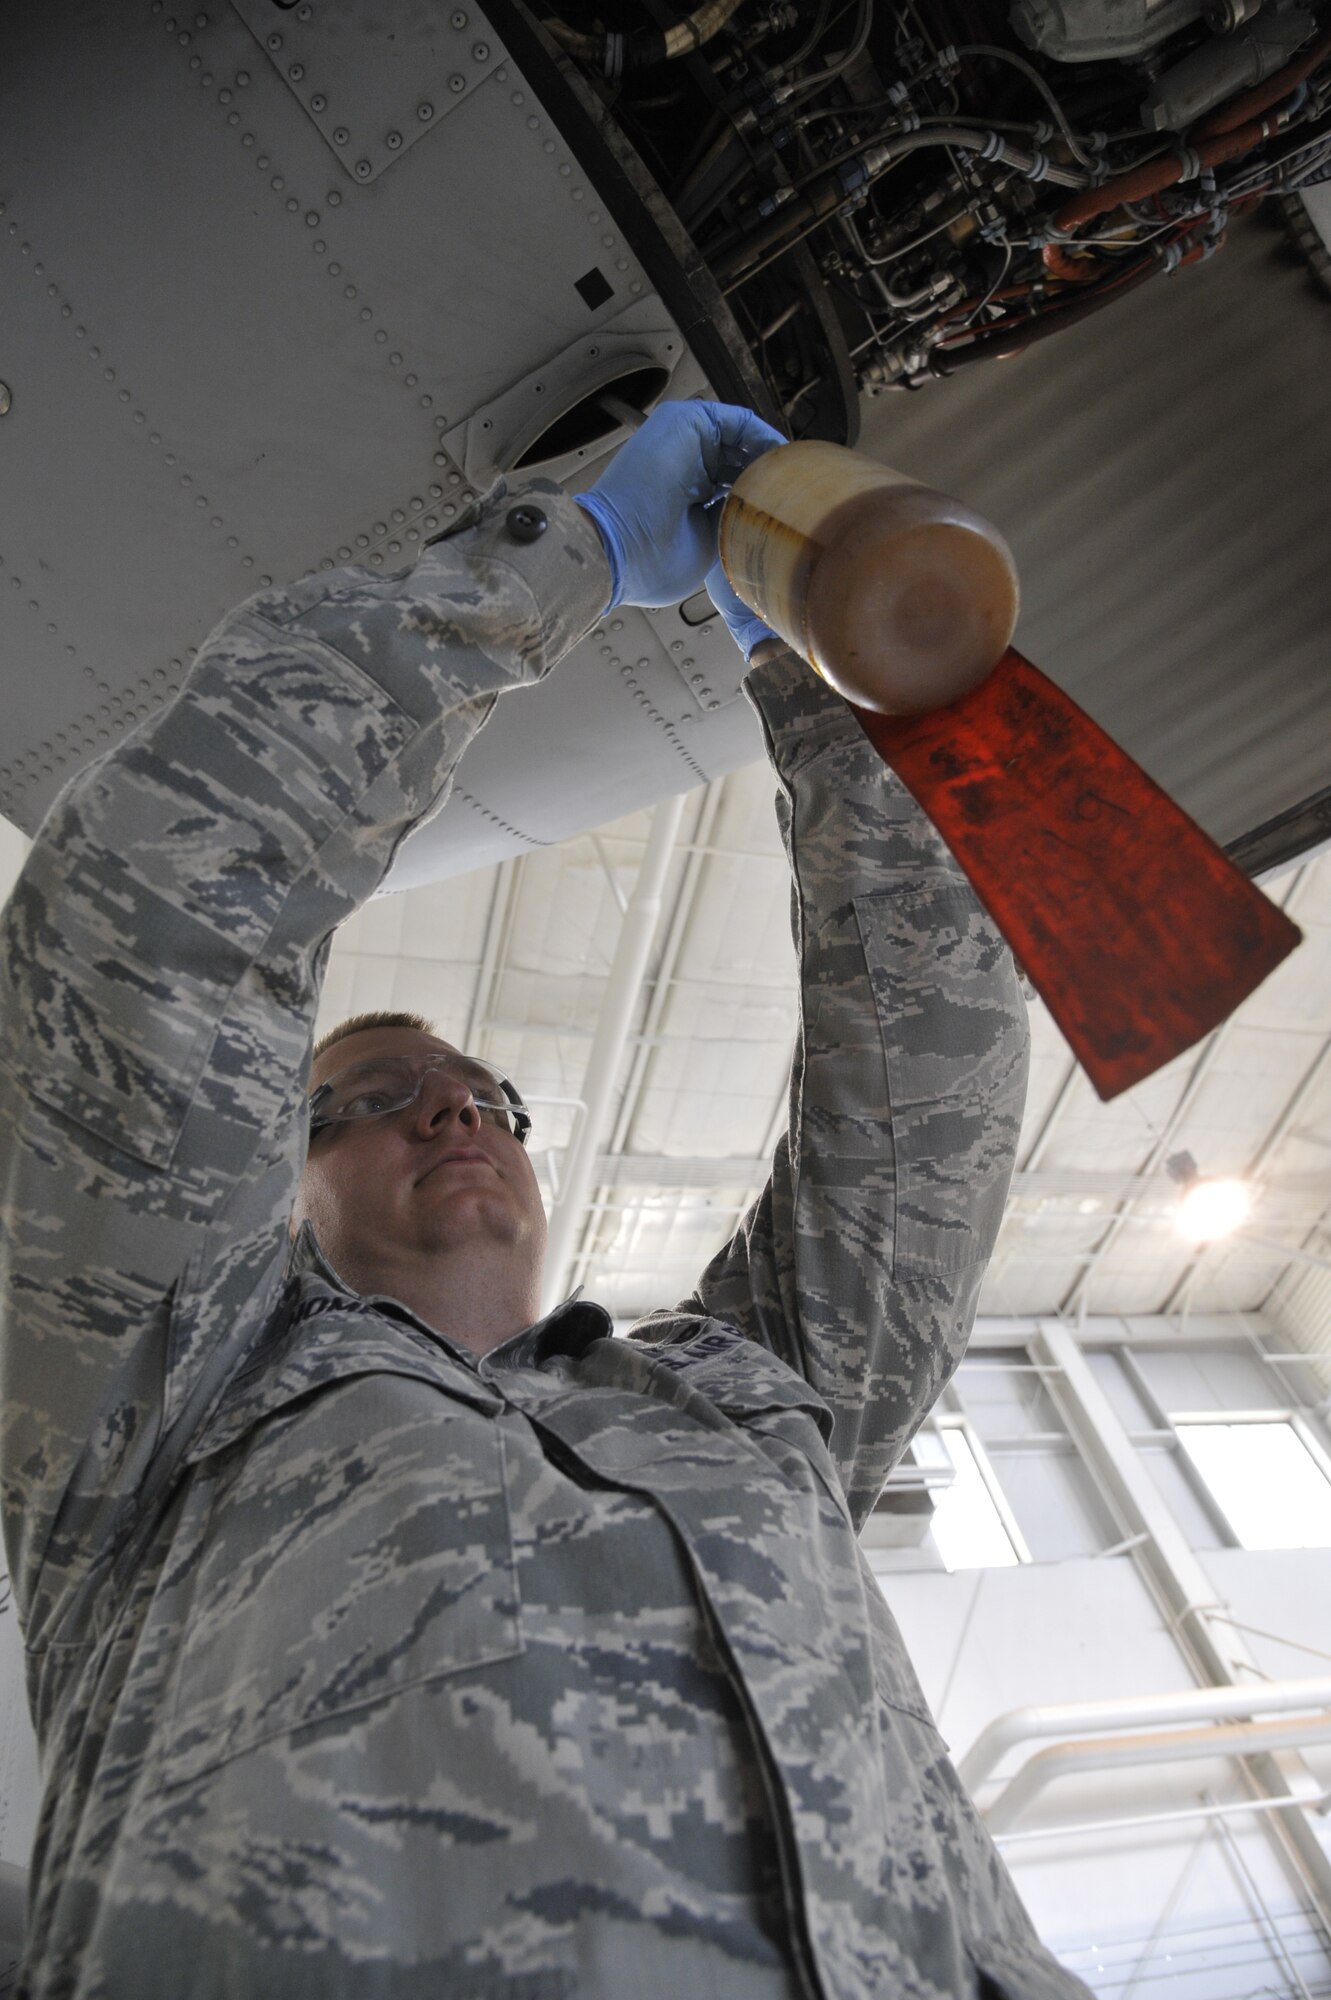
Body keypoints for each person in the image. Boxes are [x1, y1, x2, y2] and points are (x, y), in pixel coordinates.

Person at [0, 402, 1090, 1999]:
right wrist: (556, 567)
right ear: (270, 1188)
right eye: (366, 1101)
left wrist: (834, 676)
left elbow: (921, 1109)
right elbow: (156, 915)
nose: (447, 1102)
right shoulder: (167, 1395)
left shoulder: (744, 1395)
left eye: (476, 1092)